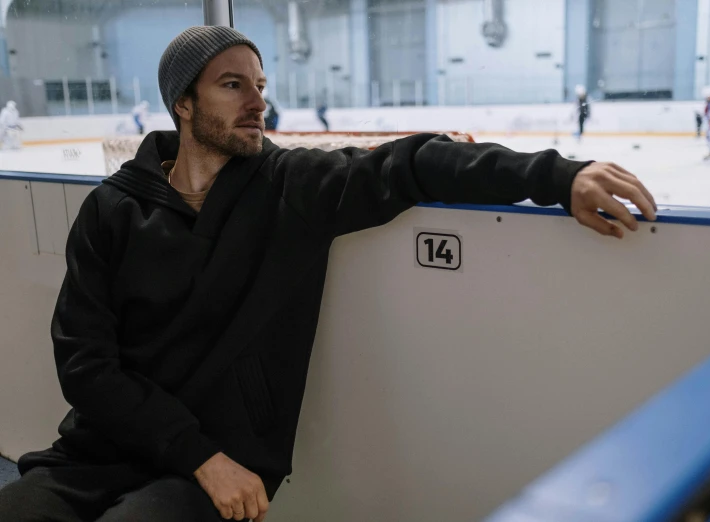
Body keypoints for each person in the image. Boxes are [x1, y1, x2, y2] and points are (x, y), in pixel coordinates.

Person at [0, 26, 657, 522]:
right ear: (183, 102)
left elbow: (414, 163)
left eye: (261, 85)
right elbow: (84, 365)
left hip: (222, 467)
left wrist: (556, 176)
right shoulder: (113, 209)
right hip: (101, 453)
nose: (258, 101)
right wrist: (192, 450)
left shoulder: (291, 187)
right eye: (233, 84)